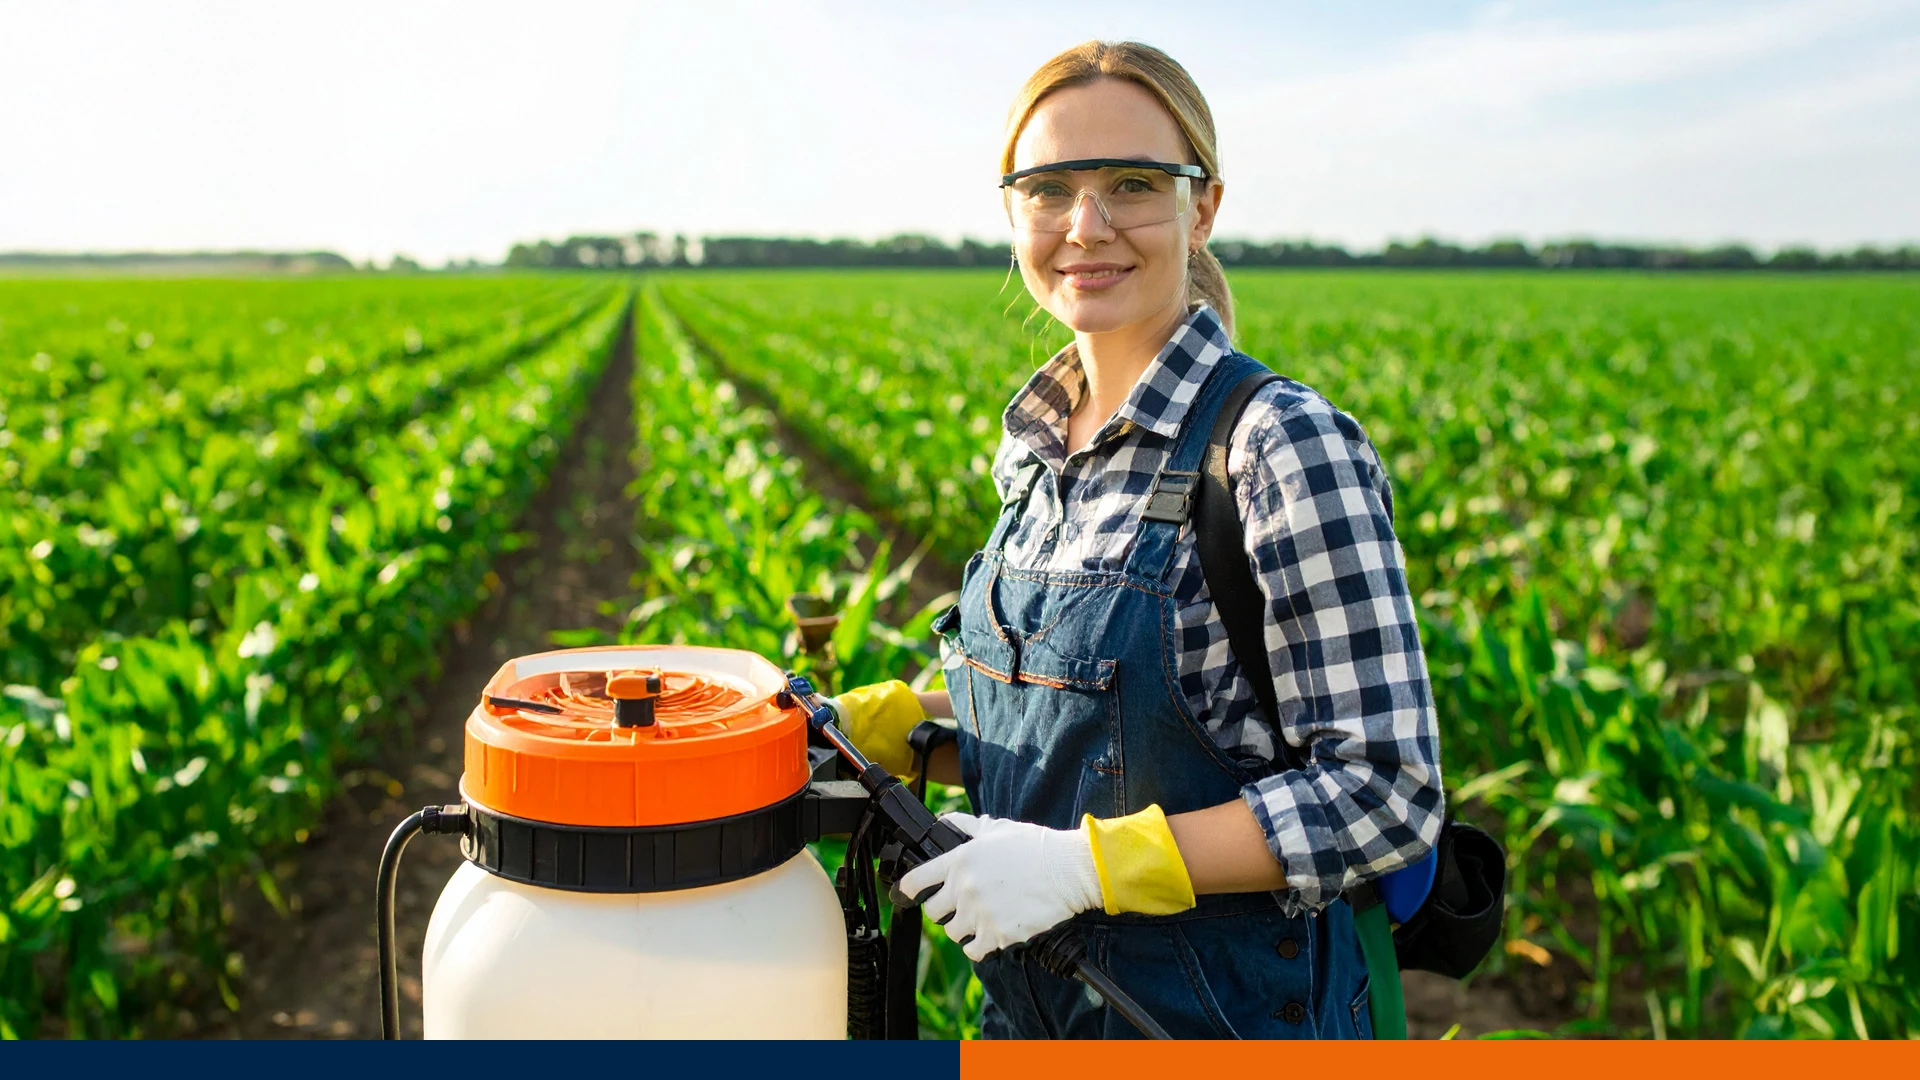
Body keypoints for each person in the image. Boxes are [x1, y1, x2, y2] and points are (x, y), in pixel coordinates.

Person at [828, 39, 1442, 1040]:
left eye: (1132, 184)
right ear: (1011, 211)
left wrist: (1092, 868)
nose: (1088, 226)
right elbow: (1093, 719)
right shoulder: (1032, 447)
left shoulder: (1279, 447)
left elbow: (1383, 794)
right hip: (1040, 1024)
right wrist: (915, 724)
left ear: (1201, 207)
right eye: (1050, 188)